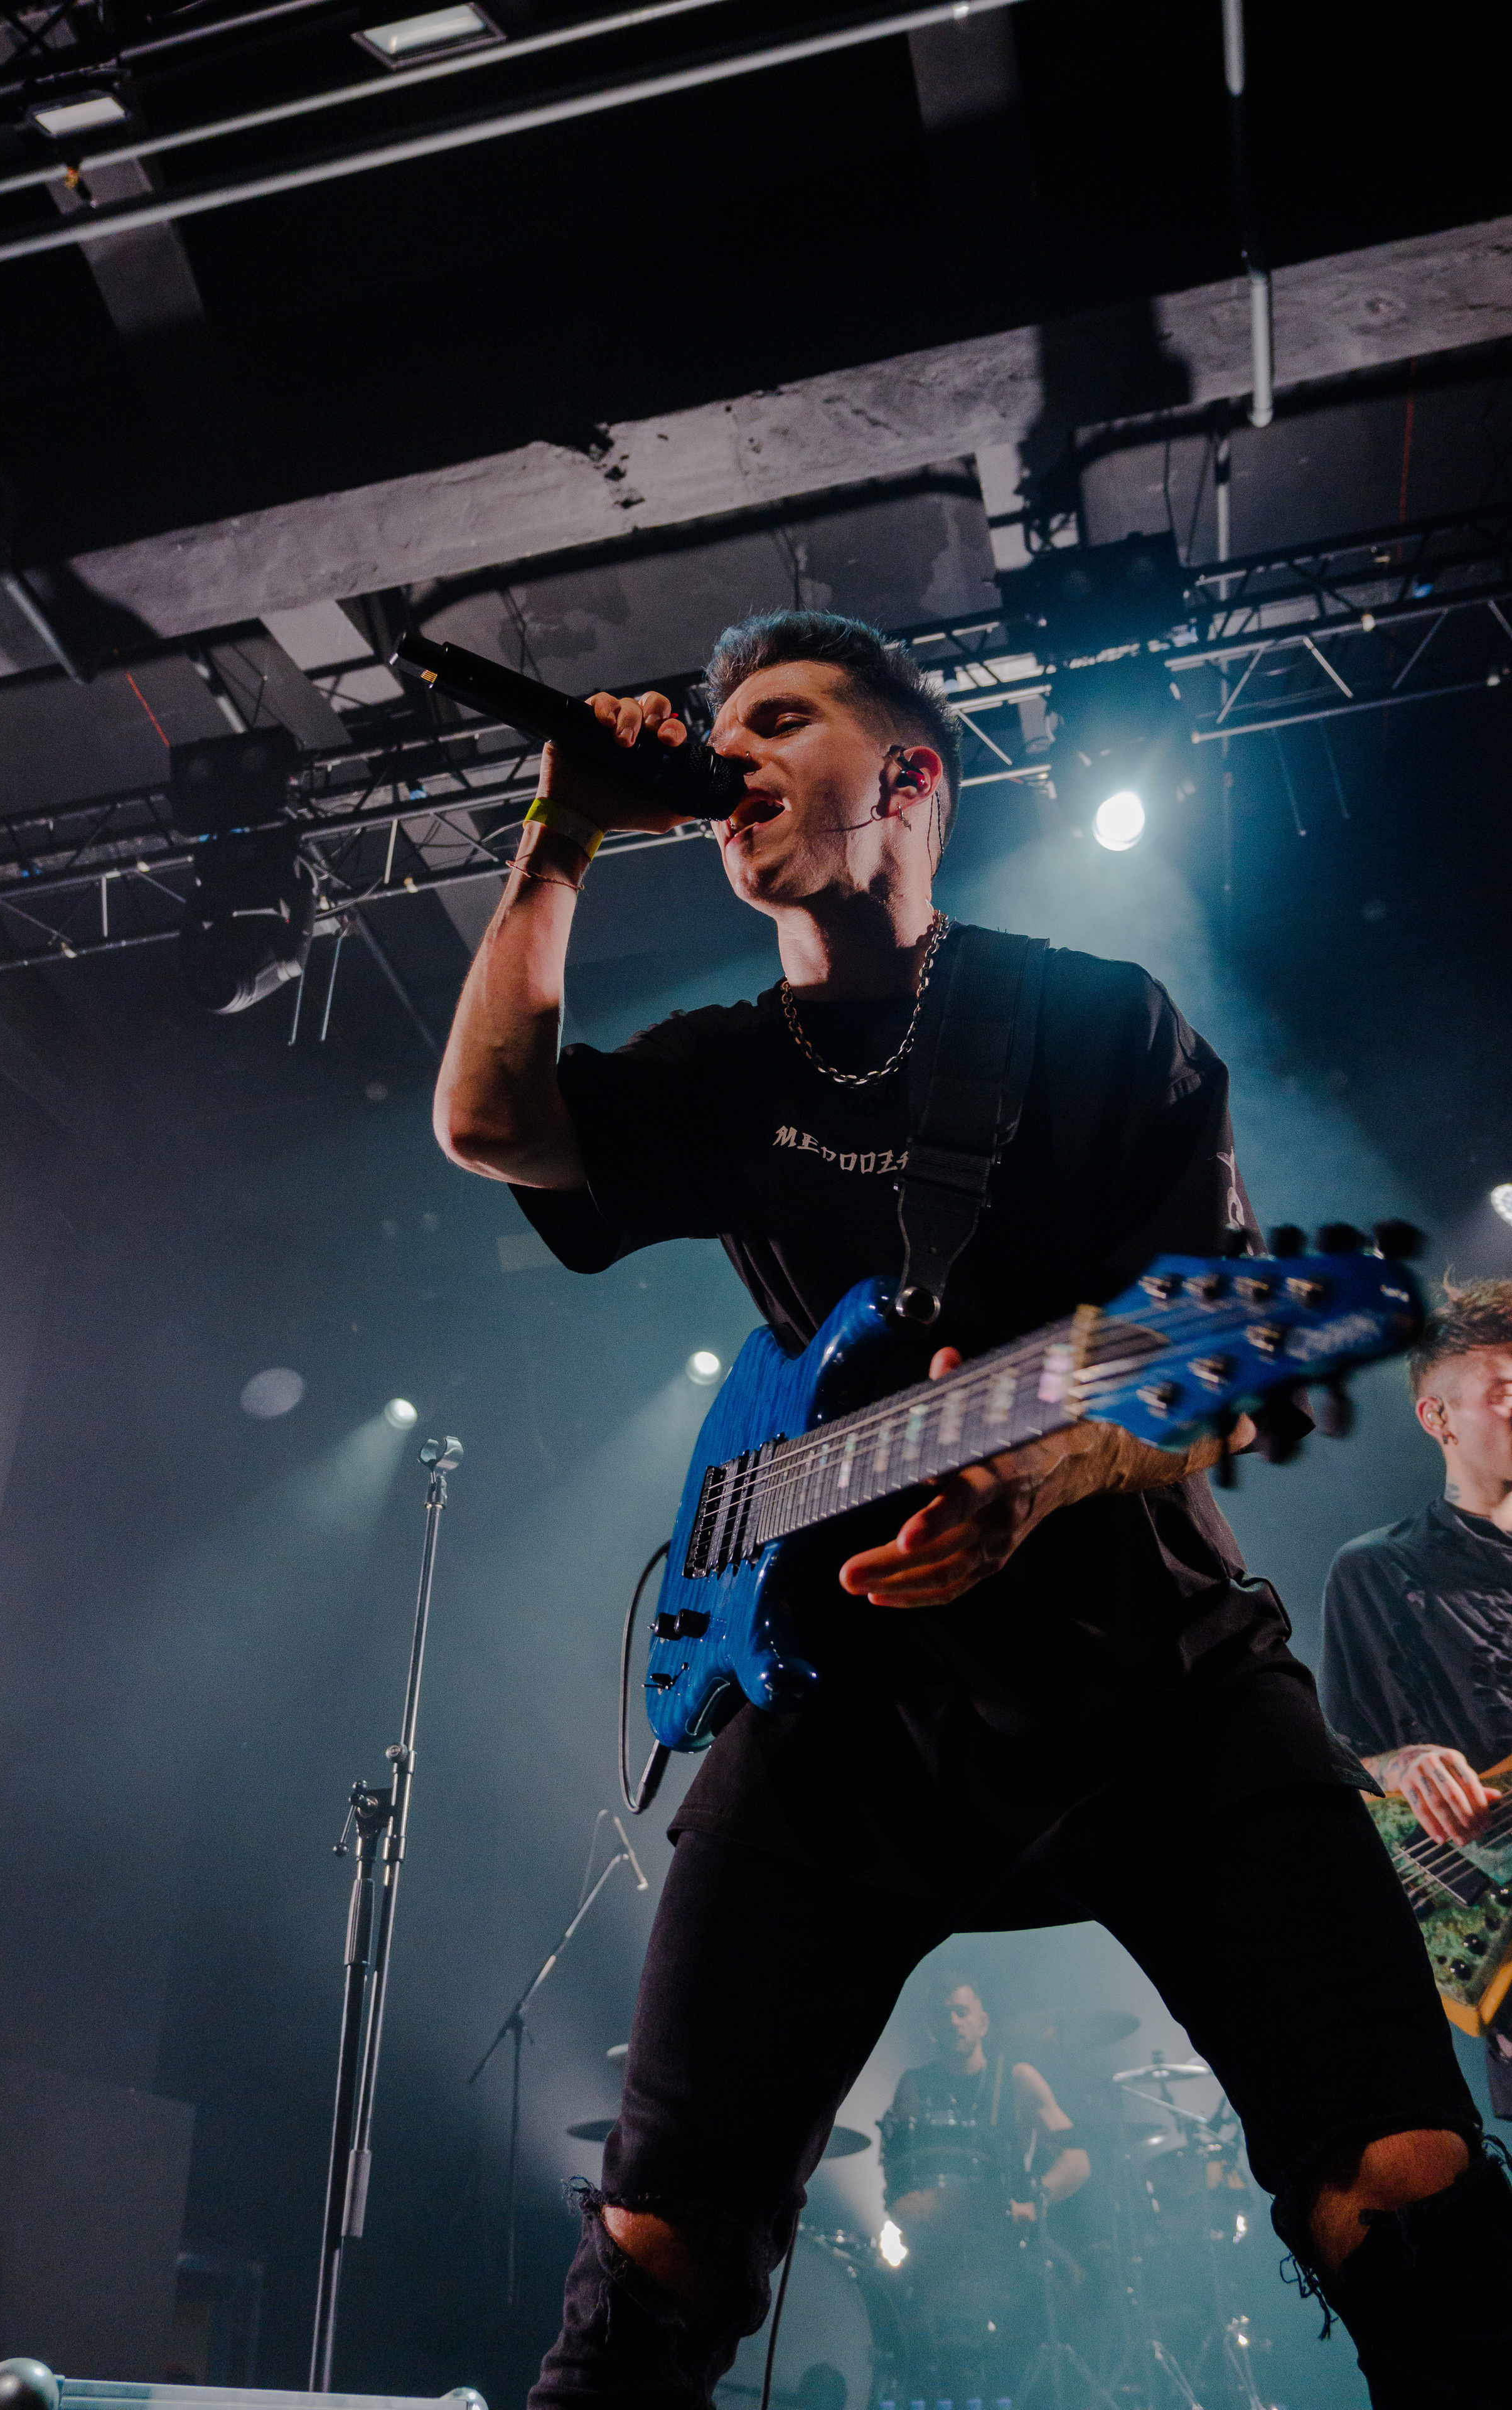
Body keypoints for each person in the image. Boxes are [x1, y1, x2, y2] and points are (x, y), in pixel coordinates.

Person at [433, 609, 1511, 2408]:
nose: (732, 752)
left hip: (1152, 1675)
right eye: (720, 727)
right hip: (837, 1703)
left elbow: (1222, 1365)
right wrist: (561, 832)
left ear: (908, 776)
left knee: (1401, 2183)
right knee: (656, 2249)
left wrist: (1042, 1472)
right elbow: (488, 1121)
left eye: (781, 719)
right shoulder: (725, 1067)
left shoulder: (1092, 1020)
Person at [1321, 1277, 1512, 2117]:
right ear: (1438, 1418)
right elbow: (1338, 1759)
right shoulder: (1377, 1570)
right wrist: (1402, 1762)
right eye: (1505, 1392)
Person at [881, 1971, 1090, 2400]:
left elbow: (1078, 2159)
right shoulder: (914, 2085)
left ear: (983, 2022)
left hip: (1006, 2241)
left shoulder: (1016, 2079)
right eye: (944, 2014)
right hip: (935, 2249)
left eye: (962, 2012)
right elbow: (899, 2171)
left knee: (1069, 2290)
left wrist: (1034, 2205)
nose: (953, 2022)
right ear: (930, 2027)